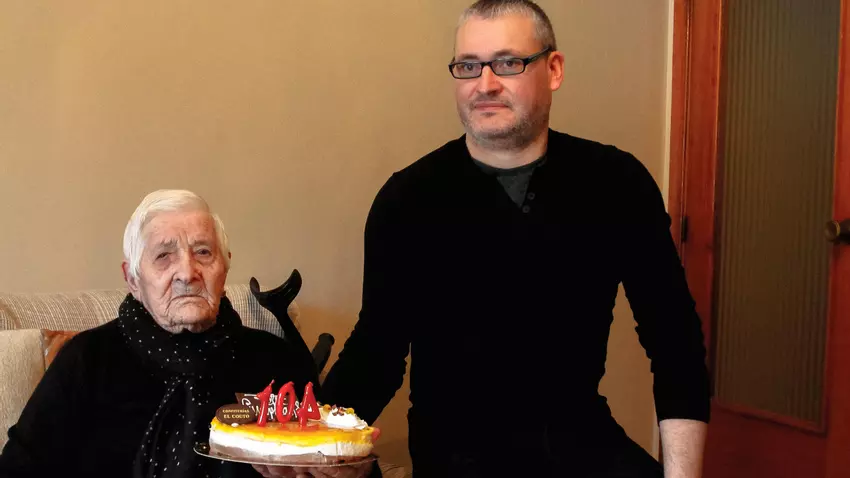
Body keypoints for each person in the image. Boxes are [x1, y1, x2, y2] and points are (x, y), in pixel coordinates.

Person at [320, 1, 710, 477]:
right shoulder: (408, 198)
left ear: (554, 69)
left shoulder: (616, 183)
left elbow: (675, 341)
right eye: (469, 66)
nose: (485, 84)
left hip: (582, 448)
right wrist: (310, 446)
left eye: (508, 62)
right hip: (457, 461)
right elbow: (375, 352)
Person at [0, 190, 320, 477]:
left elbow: (329, 454)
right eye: (164, 256)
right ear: (133, 279)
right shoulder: (87, 360)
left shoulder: (278, 361)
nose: (187, 273)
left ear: (225, 267)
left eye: (203, 252)